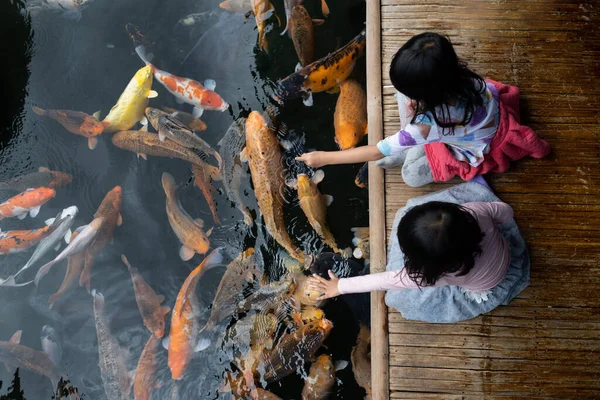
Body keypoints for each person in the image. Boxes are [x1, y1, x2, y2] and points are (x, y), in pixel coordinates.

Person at [296, 32, 550, 187]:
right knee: (405, 105)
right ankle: (403, 144)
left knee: (409, 176)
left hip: (465, 142)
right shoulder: (467, 80)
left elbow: (375, 151)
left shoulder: (428, 125)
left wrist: (323, 158)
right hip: (482, 119)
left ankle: (404, 147)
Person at [307, 201, 516, 307]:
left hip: (487, 284)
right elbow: (506, 212)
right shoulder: (475, 211)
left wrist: (340, 286)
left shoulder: (430, 275)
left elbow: (385, 280)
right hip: (504, 252)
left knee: (397, 301)